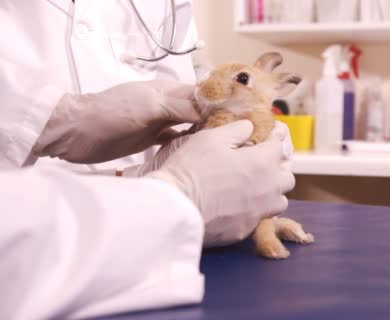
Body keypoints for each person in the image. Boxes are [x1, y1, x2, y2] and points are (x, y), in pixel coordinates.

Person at [0, 1, 295, 319]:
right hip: (40, 259)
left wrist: (149, 176)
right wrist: (52, 119)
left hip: (171, 241)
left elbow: (184, 65)